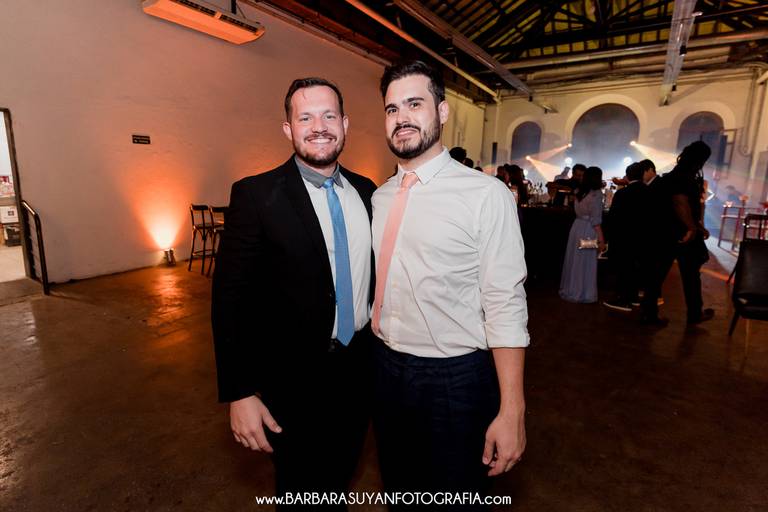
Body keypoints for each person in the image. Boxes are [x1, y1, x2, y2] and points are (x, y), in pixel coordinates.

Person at [211, 77, 377, 505]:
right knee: (301, 490)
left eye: (328, 116)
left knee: (342, 477)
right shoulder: (255, 194)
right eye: (305, 118)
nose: (318, 127)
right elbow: (229, 300)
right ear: (288, 128)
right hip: (293, 383)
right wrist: (240, 392)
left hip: (359, 370)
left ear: (345, 124)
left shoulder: (367, 192)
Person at [371, 60, 529, 505]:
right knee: (398, 489)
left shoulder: (485, 195)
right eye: (392, 108)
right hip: (384, 369)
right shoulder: (380, 197)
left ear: (441, 112)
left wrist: (513, 408)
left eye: (414, 104)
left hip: (454, 379)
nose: (401, 117)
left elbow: (505, 303)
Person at [641, 141, 714, 325]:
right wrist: (692, 227)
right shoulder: (684, 177)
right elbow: (680, 202)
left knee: (658, 274)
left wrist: (697, 226)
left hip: (666, 232)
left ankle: (649, 313)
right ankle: (694, 313)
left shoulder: (675, 174)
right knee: (690, 275)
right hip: (680, 234)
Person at [603, 162, 647, 312]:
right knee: (635, 268)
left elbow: (614, 217)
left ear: (627, 176)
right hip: (642, 237)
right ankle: (633, 297)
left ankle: (624, 300)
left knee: (623, 269)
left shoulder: (622, 193)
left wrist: (608, 237)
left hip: (624, 237)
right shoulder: (649, 191)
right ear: (642, 175)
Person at [559, 166, 606, 303]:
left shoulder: (579, 191)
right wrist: (601, 240)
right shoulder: (596, 194)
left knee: (575, 260)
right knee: (586, 261)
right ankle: (583, 292)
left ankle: (572, 289)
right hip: (589, 230)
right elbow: (596, 220)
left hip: (576, 227)